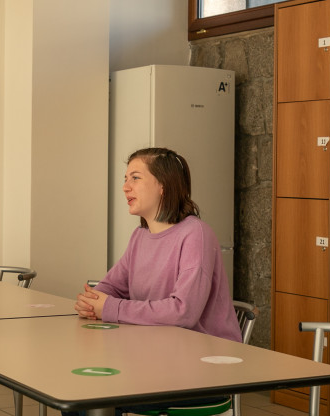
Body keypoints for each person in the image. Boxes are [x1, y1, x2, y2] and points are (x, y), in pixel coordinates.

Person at [67, 147, 241, 416]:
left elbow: (183, 311)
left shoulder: (196, 235)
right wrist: (93, 301)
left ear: (163, 186)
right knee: (77, 399)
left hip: (200, 370)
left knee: (94, 402)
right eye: (125, 179)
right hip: (155, 359)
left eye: (135, 178)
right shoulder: (141, 236)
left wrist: (109, 307)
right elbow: (112, 286)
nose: (125, 188)